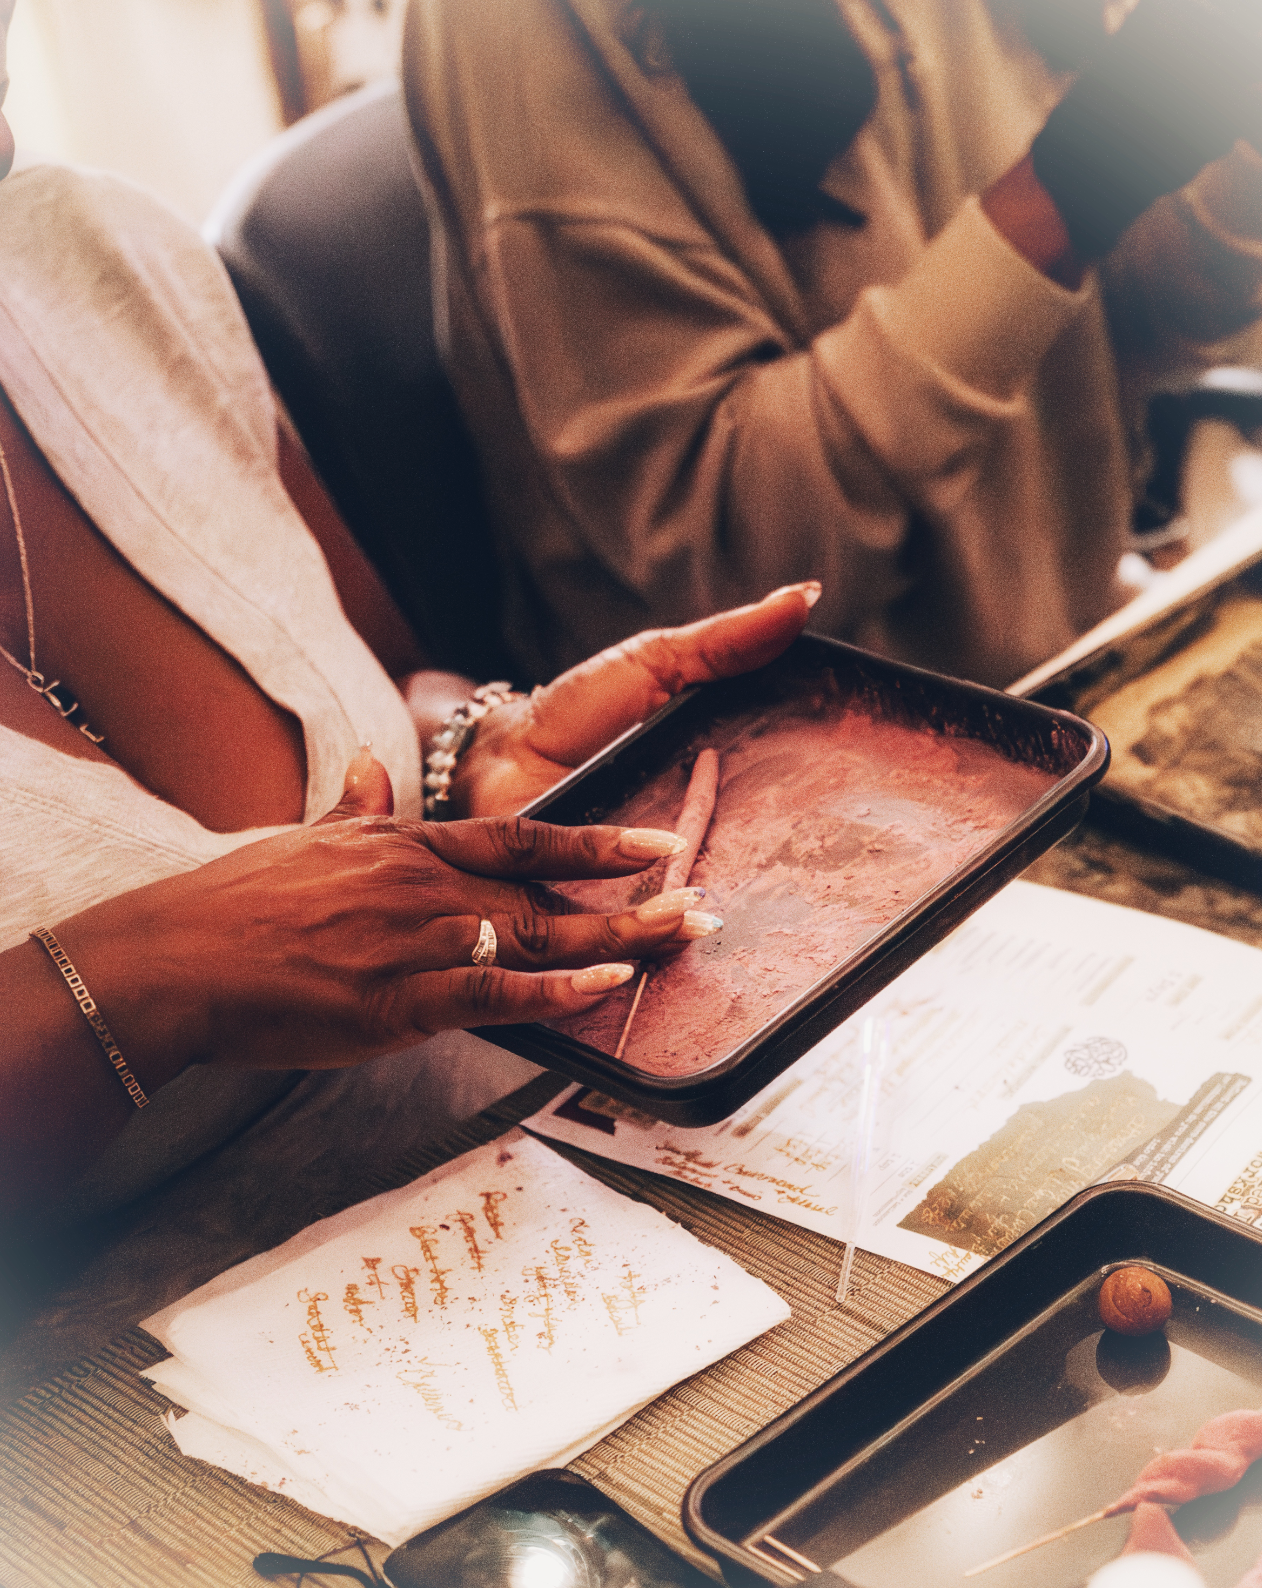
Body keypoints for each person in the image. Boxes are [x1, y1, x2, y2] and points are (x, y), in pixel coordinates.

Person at [0, 0, 819, 1272]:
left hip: (514, 1195)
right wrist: (152, 972)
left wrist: (471, 755)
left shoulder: (89, 252)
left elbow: (374, 688)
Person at [404, 0, 1262, 687]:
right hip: (796, 770)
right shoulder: (518, 23)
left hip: (1073, 657)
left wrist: (1233, 149)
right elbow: (730, 581)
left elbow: (1132, 327)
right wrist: (1075, 186)